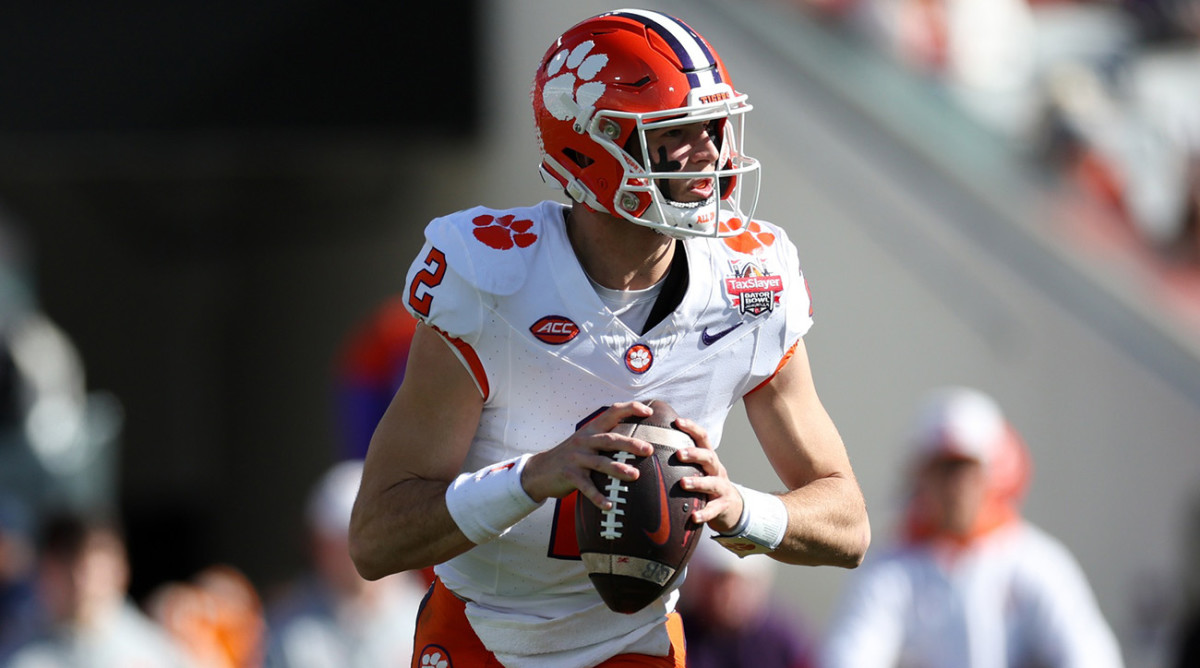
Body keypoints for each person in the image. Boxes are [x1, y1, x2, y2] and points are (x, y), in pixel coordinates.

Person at [349, 8, 870, 668]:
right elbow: (375, 538)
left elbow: (848, 522)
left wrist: (740, 509)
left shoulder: (749, 280)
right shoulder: (489, 276)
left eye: (714, 126)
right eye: (678, 132)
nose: (711, 152)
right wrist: (533, 478)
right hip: (485, 637)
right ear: (589, 145)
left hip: (638, 643)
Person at [820, 386, 1124, 668]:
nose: (956, 486)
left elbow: (1090, 655)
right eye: (943, 468)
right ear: (921, 476)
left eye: (966, 468)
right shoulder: (891, 567)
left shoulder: (1036, 562)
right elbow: (849, 654)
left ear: (994, 473)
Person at [263, 459, 425, 667]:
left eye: (368, 538)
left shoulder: (426, 617)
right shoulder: (286, 629)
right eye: (340, 540)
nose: (353, 553)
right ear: (317, 544)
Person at [0, 510, 195, 668]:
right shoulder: (24, 656)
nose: (81, 583)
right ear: (45, 571)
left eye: (92, 569)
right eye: (68, 567)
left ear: (121, 569)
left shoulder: (154, 651)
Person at [678, 531, 817, 668]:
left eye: (741, 582)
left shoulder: (782, 643)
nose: (730, 594)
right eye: (721, 581)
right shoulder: (676, 634)